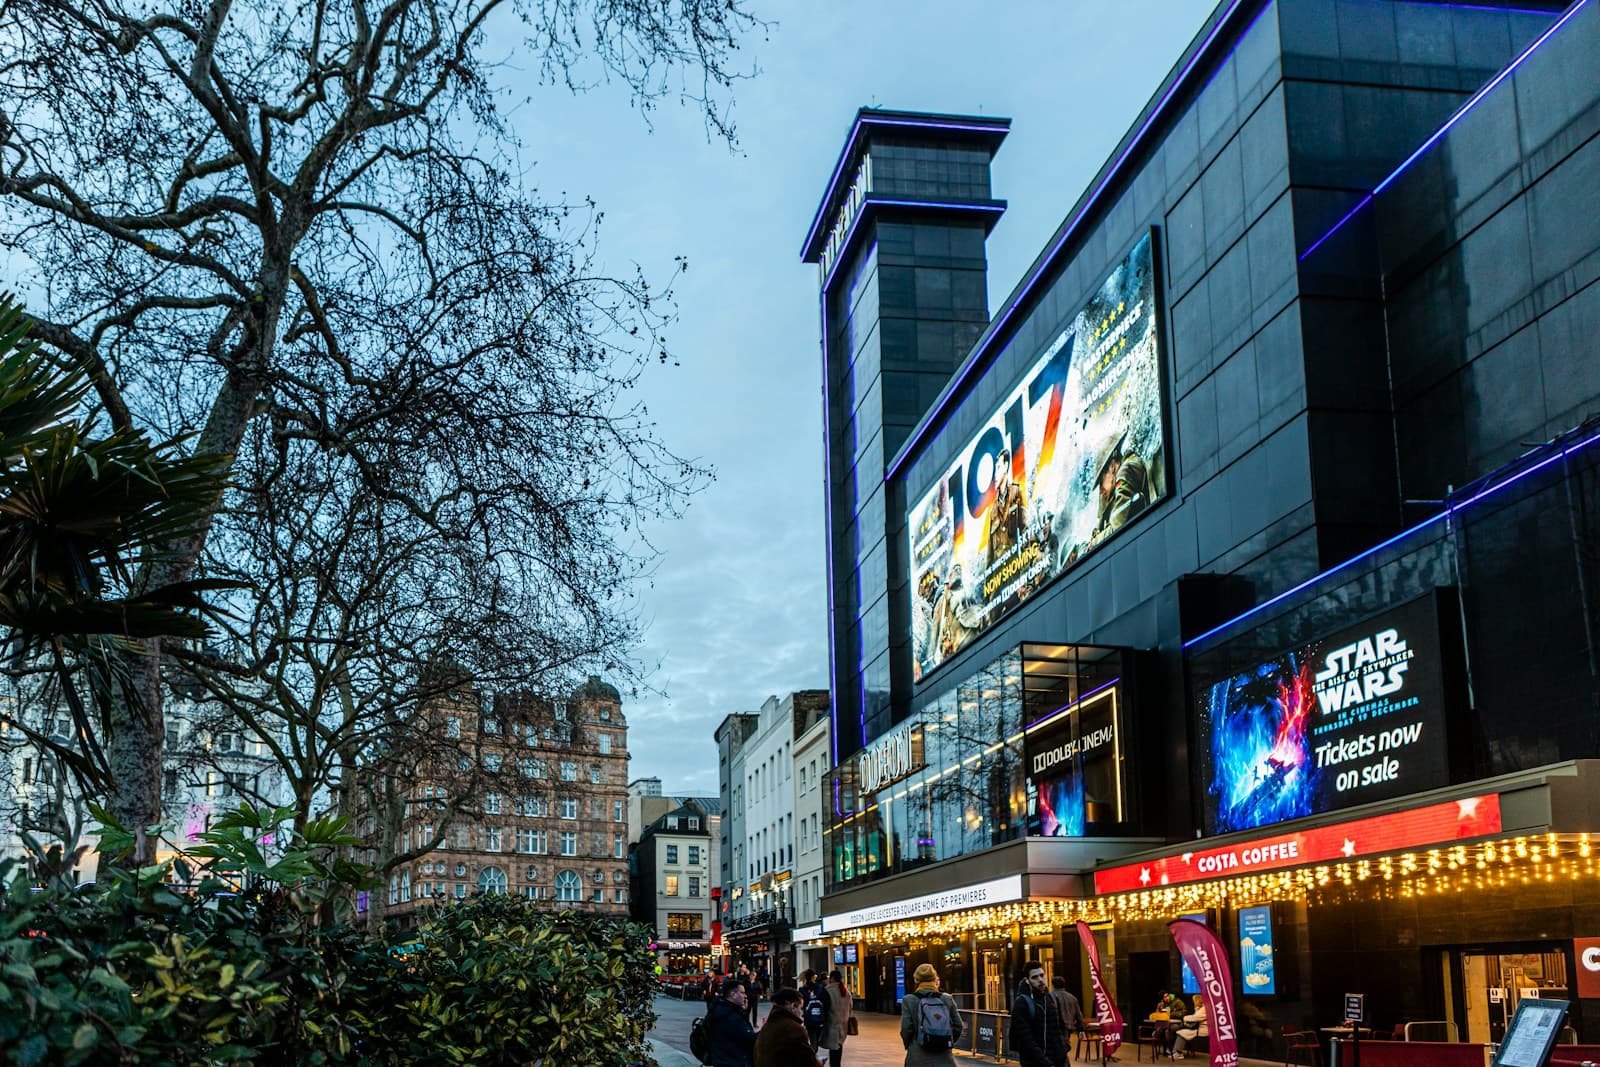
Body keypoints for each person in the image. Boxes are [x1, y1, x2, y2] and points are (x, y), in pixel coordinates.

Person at [901, 963, 963, 1067]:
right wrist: (945, 1040)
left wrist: (910, 1045)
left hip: (917, 1057)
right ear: (934, 979)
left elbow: (906, 1028)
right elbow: (958, 1025)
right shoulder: (946, 998)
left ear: (916, 980)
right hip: (944, 1058)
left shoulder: (909, 1000)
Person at [1010, 961, 1065, 1067]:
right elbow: (1026, 1037)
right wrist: (1043, 1061)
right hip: (1033, 1061)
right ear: (1027, 980)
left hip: (1056, 1059)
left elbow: (1058, 1028)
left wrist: (1062, 1052)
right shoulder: (1022, 1002)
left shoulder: (1049, 998)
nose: (1040, 980)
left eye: (1042, 975)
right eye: (1034, 977)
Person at [754, 988, 818, 1067]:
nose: (801, 1012)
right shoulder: (793, 1028)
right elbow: (809, 1061)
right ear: (793, 1006)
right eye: (800, 1008)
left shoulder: (769, 1025)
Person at [704, 980, 758, 1067]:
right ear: (733, 994)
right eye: (742, 993)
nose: (745, 996)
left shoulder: (719, 1009)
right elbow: (750, 1038)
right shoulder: (730, 1015)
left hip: (721, 1060)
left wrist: (742, 1011)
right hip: (733, 1061)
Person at [821, 969, 854, 1067]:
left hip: (832, 1023)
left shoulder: (828, 991)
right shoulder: (846, 991)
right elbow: (851, 1006)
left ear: (831, 978)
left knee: (833, 1048)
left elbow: (824, 1007)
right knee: (838, 1047)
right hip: (843, 1023)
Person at [1051, 976, 1084, 1064]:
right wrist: (1080, 1029)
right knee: (1063, 1049)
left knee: (1058, 1051)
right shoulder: (1072, 997)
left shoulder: (1051, 996)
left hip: (1056, 1028)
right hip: (1069, 1028)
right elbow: (1078, 1014)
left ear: (1053, 985)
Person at [801, 969, 830, 1050]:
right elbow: (827, 1002)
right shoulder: (821, 988)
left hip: (809, 1019)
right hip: (820, 1018)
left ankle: (813, 1050)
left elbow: (800, 1005)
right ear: (814, 977)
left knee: (812, 1036)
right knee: (817, 1037)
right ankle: (814, 1051)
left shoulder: (802, 990)